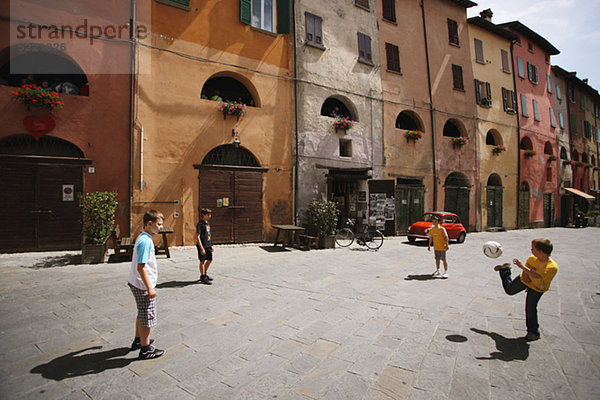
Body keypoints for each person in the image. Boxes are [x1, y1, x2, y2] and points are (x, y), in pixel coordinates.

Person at [494, 239, 558, 341]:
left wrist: (522, 267)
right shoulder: (532, 259)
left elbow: (538, 276)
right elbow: (527, 270)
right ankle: (505, 270)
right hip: (525, 280)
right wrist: (525, 274)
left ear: (540, 251)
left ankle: (533, 332)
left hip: (537, 288)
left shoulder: (551, 267)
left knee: (530, 307)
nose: (531, 250)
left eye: (533, 248)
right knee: (509, 290)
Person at [127, 210, 165, 359]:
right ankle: (145, 348)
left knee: (141, 312)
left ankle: (138, 340)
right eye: (159, 224)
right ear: (150, 224)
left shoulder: (143, 237)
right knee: (147, 316)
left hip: (136, 282)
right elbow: (141, 266)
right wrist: (149, 287)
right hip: (142, 285)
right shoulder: (145, 241)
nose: (161, 227)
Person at [196, 208, 214, 284]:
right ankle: (203, 276)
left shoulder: (207, 223)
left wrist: (211, 245)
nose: (209, 216)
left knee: (209, 259)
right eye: (208, 214)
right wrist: (201, 248)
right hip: (202, 245)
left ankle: (204, 273)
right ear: (203, 215)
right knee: (202, 261)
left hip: (208, 245)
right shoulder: (200, 224)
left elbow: (208, 235)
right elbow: (197, 237)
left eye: (210, 214)